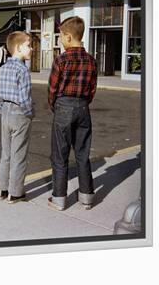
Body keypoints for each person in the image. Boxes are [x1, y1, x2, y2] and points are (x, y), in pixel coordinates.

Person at [47, 16, 98, 211]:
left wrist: (56, 106)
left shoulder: (61, 59)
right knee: (82, 153)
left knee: (60, 155)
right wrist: (82, 103)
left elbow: (52, 89)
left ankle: (59, 197)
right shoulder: (91, 61)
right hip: (83, 107)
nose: (59, 39)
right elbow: (93, 88)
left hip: (63, 107)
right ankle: (86, 196)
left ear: (68, 37)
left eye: (60, 36)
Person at [0, 31, 34, 204]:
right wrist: (30, 113)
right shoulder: (23, 70)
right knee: (19, 154)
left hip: (5, 112)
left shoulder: (3, 68)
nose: (31, 49)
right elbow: (25, 97)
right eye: (29, 45)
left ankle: (2, 189)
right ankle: (16, 192)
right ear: (18, 48)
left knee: (6, 153)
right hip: (19, 113)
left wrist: (2, 109)